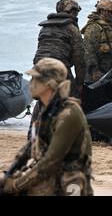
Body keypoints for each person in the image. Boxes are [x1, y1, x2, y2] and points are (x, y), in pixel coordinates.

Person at [0, 58, 93, 196]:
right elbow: (31, 146)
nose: (30, 83)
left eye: (35, 79)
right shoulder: (48, 111)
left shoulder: (69, 113)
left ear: (49, 84)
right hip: (50, 176)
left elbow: (51, 160)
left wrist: (16, 185)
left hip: (68, 181)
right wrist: (10, 174)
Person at [33, 0, 85, 98]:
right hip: (59, 69)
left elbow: (40, 50)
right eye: (76, 12)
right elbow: (79, 59)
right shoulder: (72, 29)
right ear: (72, 11)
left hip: (39, 69)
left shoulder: (44, 28)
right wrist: (80, 83)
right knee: (73, 98)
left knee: (42, 100)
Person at [82, 0, 112, 83]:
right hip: (98, 75)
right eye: (111, 12)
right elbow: (88, 51)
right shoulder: (94, 27)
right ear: (102, 11)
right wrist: (94, 71)